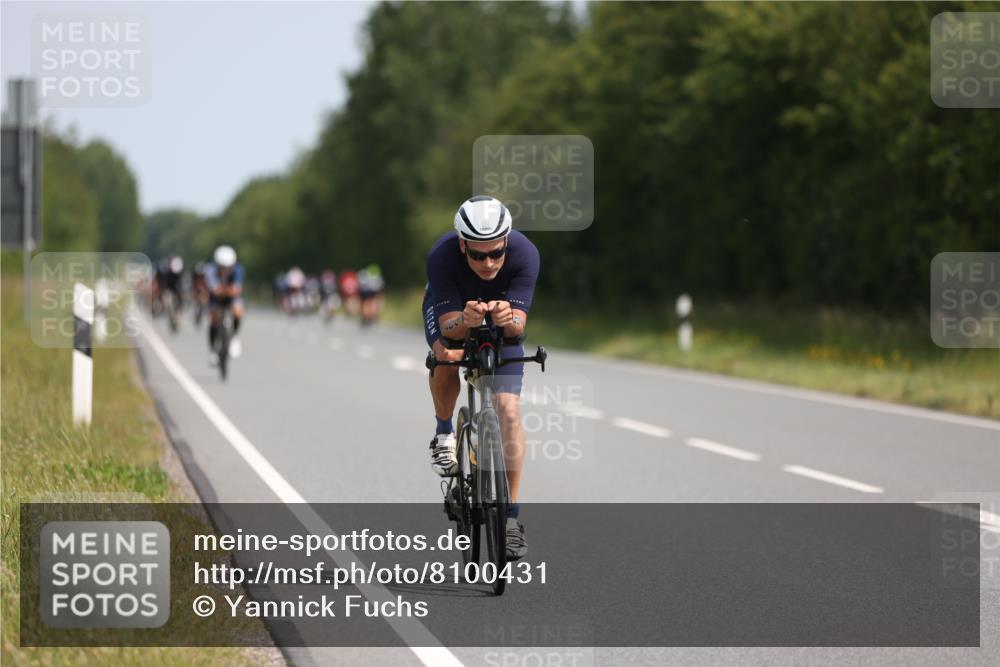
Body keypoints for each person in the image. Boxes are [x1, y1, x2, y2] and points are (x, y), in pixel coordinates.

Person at [423, 195, 539, 560]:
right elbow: (449, 330)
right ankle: (445, 433)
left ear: (506, 241)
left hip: (501, 322)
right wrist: (466, 321)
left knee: (509, 413)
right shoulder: (442, 256)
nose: (487, 263)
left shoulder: (525, 254)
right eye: (477, 255)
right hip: (455, 313)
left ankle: (511, 518)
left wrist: (508, 318)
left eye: (495, 254)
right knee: (446, 357)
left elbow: (519, 326)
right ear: (462, 245)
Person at [205, 245, 245, 364]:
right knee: (214, 318)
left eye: (228, 267)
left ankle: (234, 337)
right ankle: (212, 350)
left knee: (238, 311)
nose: (225, 270)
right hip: (216, 299)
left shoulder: (238, 270)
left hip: (231, 298)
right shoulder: (210, 271)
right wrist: (226, 290)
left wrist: (227, 291)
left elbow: (237, 289)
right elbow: (214, 290)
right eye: (222, 267)